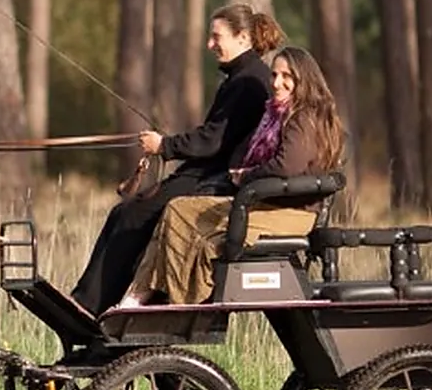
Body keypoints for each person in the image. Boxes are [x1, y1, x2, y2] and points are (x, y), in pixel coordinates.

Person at [69, 3, 284, 316]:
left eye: (216, 37)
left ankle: (92, 307)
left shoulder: (249, 82)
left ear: (242, 38)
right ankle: (90, 301)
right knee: (123, 213)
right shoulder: (240, 77)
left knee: (133, 215)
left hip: (217, 182)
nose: (210, 45)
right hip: (206, 174)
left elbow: (212, 140)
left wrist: (165, 145)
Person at [121, 45, 346, 307]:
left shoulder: (305, 117)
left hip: (290, 212)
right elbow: (248, 153)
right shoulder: (274, 115)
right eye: (274, 75)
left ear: (303, 80)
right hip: (262, 202)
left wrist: (248, 177)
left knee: (204, 237)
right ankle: (141, 294)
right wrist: (238, 172)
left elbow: (286, 166)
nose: (277, 83)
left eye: (287, 77)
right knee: (178, 209)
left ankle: (182, 302)